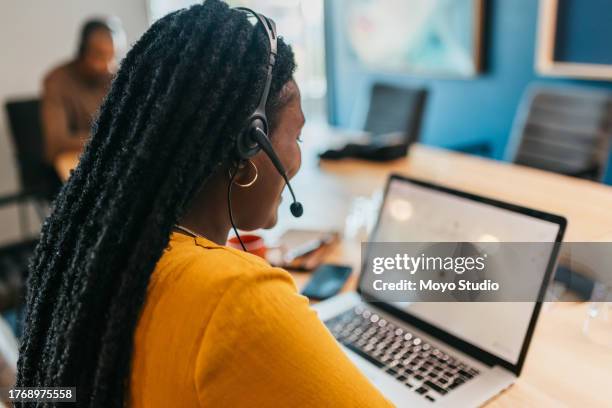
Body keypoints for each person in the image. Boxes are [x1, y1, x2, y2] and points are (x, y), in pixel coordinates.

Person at [17, 1, 392, 407]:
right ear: (251, 142)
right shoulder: (237, 299)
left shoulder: (86, 247)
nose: (297, 160)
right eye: (296, 137)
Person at [41, 18, 118, 164]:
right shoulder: (57, 80)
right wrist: (110, 137)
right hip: (68, 165)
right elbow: (57, 141)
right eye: (99, 56)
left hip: (106, 159)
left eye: (112, 57)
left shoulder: (114, 77)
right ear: (83, 52)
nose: (107, 66)